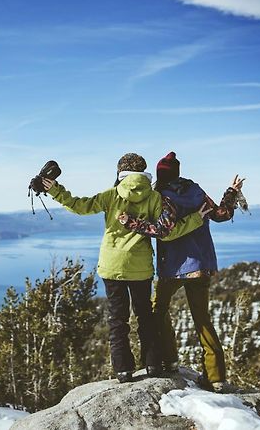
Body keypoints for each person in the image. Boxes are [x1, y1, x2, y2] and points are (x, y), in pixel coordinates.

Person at [41, 153, 209, 383]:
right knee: (145, 316)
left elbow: (79, 206)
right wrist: (196, 219)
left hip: (112, 266)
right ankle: (152, 365)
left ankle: (123, 370)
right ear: (143, 172)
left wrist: (55, 190)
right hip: (140, 269)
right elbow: (167, 232)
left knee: (117, 319)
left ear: (120, 172)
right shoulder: (154, 197)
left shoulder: (111, 195)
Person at [119, 152, 244, 392]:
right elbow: (221, 214)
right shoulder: (195, 190)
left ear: (159, 174)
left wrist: (131, 222)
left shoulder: (160, 196)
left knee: (158, 310)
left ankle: (170, 359)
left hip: (173, 267)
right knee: (202, 319)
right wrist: (231, 192)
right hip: (201, 265)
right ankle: (215, 377)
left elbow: (162, 229)